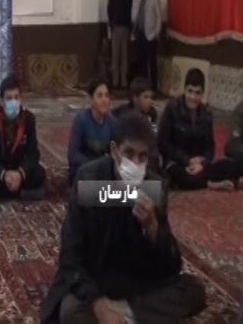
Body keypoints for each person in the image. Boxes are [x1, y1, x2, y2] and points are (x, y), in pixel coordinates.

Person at [40, 112, 207, 324]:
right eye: (129, 153)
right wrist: (99, 306)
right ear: (114, 151)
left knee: (194, 291)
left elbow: (171, 266)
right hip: (97, 280)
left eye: (142, 156)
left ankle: (123, 314)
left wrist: (153, 229)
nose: (135, 163)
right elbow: (70, 256)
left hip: (136, 283)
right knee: (70, 310)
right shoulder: (89, 181)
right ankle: (129, 316)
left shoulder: (153, 186)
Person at [158, 68, 242, 191]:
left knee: (231, 166)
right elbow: (163, 143)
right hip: (177, 162)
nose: (193, 97)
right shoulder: (172, 108)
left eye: (197, 93)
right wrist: (187, 161)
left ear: (202, 93)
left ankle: (202, 180)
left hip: (199, 165)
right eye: (190, 91)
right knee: (181, 176)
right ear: (184, 90)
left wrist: (202, 164)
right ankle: (211, 184)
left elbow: (210, 147)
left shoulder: (206, 114)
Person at [0, 74, 46, 198]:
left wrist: (20, 174)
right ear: (1, 101)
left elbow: (33, 154)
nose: (13, 102)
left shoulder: (29, 119)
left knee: (40, 174)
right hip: (3, 170)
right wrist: (4, 175)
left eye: (16, 97)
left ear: (21, 99)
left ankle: (5, 194)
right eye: (9, 98)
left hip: (21, 168)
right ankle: (20, 193)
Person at [67, 76, 116, 186]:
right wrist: (94, 165)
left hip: (102, 169)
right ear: (91, 99)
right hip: (84, 168)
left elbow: (115, 152)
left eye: (107, 95)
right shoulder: (82, 120)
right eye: (99, 96)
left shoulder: (112, 122)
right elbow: (73, 155)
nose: (104, 100)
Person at [113, 77, 160, 172]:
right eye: (145, 97)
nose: (150, 101)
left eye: (151, 97)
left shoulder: (152, 114)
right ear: (135, 98)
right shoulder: (124, 115)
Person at [133, 0, 162, 91]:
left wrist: (155, 33)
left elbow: (159, 18)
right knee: (141, 61)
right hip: (140, 34)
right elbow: (137, 16)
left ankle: (153, 87)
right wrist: (134, 32)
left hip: (150, 35)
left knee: (152, 62)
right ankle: (142, 87)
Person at [107, 0, 133, 90]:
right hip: (116, 27)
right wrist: (111, 25)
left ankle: (124, 81)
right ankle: (115, 81)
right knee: (115, 55)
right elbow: (110, 9)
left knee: (124, 56)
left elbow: (131, 10)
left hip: (126, 27)